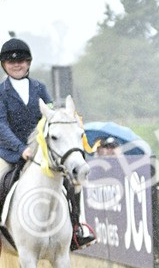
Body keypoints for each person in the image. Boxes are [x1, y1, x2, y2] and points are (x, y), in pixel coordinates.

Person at [0, 37, 95, 249]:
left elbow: (50, 115)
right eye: (11, 61)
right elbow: (1, 125)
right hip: (10, 153)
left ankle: (77, 228)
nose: (17, 64)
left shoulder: (39, 88)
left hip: (42, 151)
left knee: (72, 180)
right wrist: (20, 148)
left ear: (28, 63)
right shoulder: (1, 92)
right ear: (4, 65)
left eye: (22, 60)